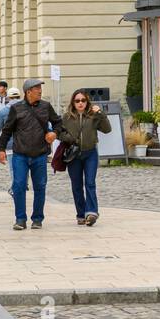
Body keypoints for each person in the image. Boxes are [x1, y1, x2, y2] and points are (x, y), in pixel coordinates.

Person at [0, 78, 60, 230]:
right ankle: (20, 219)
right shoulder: (16, 108)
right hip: (20, 155)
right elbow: (6, 130)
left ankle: (37, 218)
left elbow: (58, 122)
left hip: (40, 154)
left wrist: (54, 133)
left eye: (40, 88)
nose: (40, 90)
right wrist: (1, 149)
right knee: (18, 186)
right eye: (37, 88)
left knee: (40, 186)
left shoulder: (46, 106)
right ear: (28, 91)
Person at [57, 88, 112, 226]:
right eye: (77, 101)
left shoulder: (93, 115)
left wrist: (100, 114)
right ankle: (81, 214)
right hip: (73, 155)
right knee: (77, 185)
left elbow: (107, 129)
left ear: (87, 102)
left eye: (83, 100)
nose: (80, 103)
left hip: (90, 153)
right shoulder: (67, 117)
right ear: (73, 102)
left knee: (90, 183)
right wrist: (68, 137)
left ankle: (92, 212)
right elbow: (58, 132)